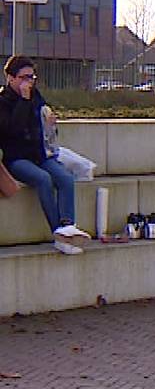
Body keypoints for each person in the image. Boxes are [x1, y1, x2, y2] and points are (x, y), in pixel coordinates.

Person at [0, 55, 89, 254]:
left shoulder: (36, 96)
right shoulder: (4, 102)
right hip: (16, 159)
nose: (29, 82)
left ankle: (67, 225)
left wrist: (50, 124)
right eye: (24, 77)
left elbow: (43, 127)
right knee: (43, 179)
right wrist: (23, 100)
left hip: (40, 154)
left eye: (31, 77)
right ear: (11, 78)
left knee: (65, 178)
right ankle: (59, 233)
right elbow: (11, 129)